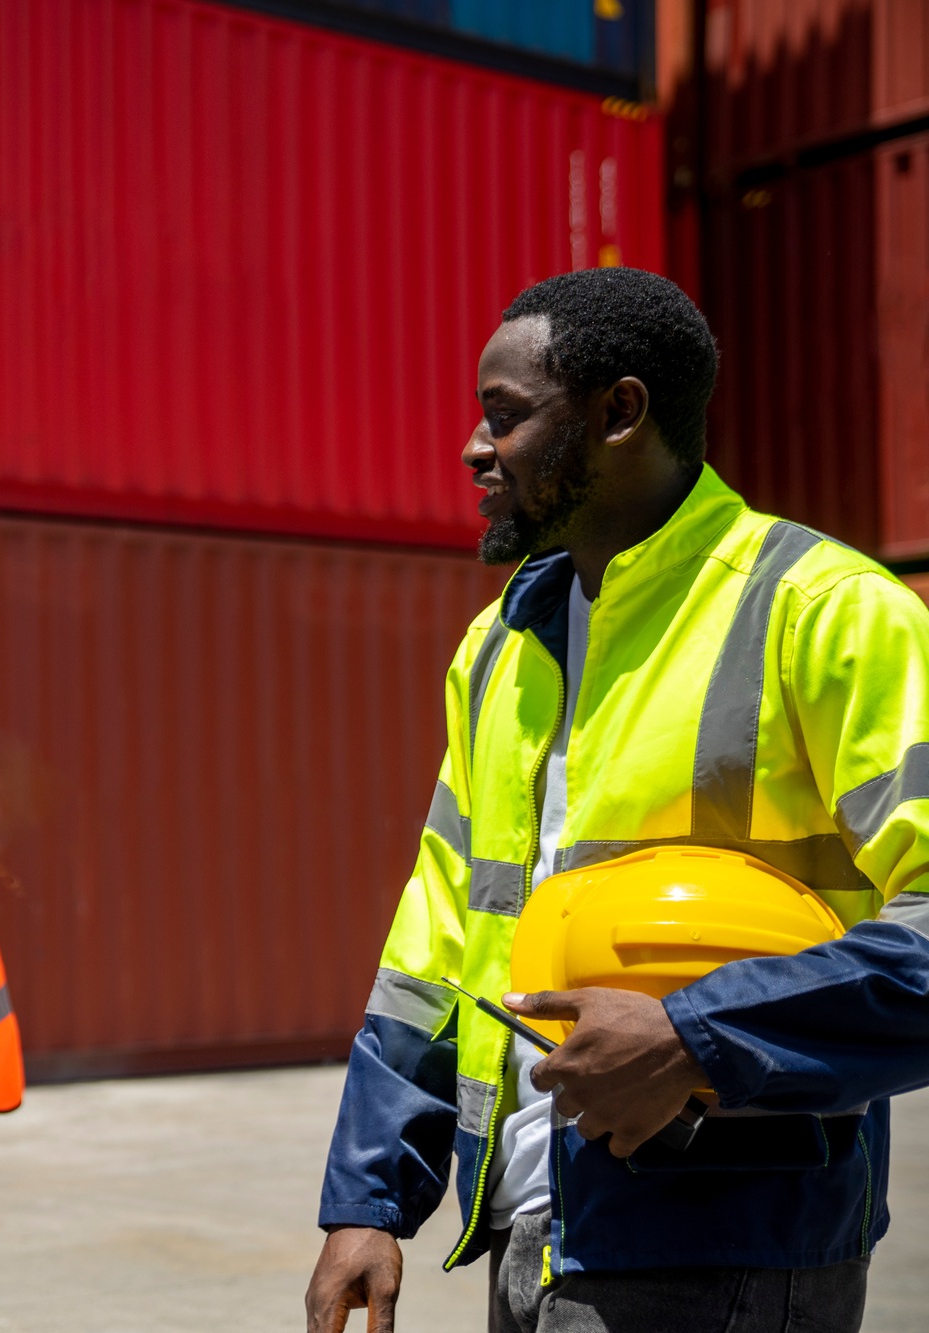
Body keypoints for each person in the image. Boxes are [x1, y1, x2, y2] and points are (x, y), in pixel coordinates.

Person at [304, 268, 929, 1333]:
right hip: (529, 1229)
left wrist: (694, 1034)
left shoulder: (825, 615)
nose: (471, 447)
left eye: (503, 415)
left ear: (618, 413)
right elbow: (437, 938)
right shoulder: (502, 643)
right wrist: (368, 1199)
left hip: (732, 1241)